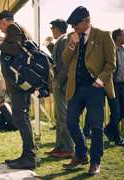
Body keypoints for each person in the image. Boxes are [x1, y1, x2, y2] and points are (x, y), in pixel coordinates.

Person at [62, 6, 116, 175]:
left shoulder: (103, 35)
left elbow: (111, 63)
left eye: (76, 25)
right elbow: (65, 60)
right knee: (70, 122)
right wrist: (72, 44)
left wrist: (100, 81)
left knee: (96, 127)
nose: (73, 29)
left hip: (95, 89)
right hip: (76, 88)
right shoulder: (73, 38)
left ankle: (95, 161)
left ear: (86, 21)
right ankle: (81, 154)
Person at [0, 10, 36, 170]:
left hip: (19, 85)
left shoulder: (13, 28)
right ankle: (27, 155)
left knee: (20, 119)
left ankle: (29, 157)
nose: (1, 30)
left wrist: (0, 43)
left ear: (3, 22)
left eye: (0, 26)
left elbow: (14, 50)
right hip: (22, 83)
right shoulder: (21, 29)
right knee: (23, 118)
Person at [45, 19, 74, 158]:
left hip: (62, 83)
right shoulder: (61, 40)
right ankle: (59, 146)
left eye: (52, 28)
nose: (51, 31)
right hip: (59, 83)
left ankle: (68, 148)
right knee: (59, 116)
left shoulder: (64, 40)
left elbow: (65, 64)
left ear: (57, 29)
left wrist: (58, 82)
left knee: (63, 117)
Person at [104, 28, 124, 146]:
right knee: (116, 112)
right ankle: (117, 139)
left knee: (122, 112)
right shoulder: (111, 50)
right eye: (123, 35)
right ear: (117, 37)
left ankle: (107, 129)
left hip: (122, 84)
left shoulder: (123, 50)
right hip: (113, 85)